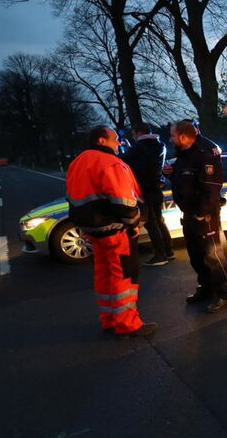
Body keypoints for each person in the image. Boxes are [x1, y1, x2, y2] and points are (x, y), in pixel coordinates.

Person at [66, 125, 158, 338]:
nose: (118, 143)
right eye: (115, 139)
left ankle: (108, 318)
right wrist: (134, 223)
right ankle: (127, 324)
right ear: (101, 140)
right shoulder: (110, 163)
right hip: (116, 231)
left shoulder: (77, 163)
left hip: (93, 230)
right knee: (124, 275)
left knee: (104, 273)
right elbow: (124, 202)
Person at [166, 120, 227, 313]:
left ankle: (224, 293)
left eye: (172, 135)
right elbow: (187, 184)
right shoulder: (183, 158)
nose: (170, 139)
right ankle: (205, 288)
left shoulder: (204, 157)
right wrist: (171, 175)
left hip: (204, 216)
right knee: (196, 256)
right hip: (188, 214)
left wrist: (201, 214)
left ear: (183, 137)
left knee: (213, 256)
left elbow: (211, 189)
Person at [123, 122, 174, 266]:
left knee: (151, 222)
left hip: (145, 189)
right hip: (156, 188)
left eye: (133, 134)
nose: (133, 137)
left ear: (139, 133)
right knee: (159, 220)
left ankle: (160, 255)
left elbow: (123, 159)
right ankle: (169, 251)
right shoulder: (160, 145)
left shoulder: (140, 147)